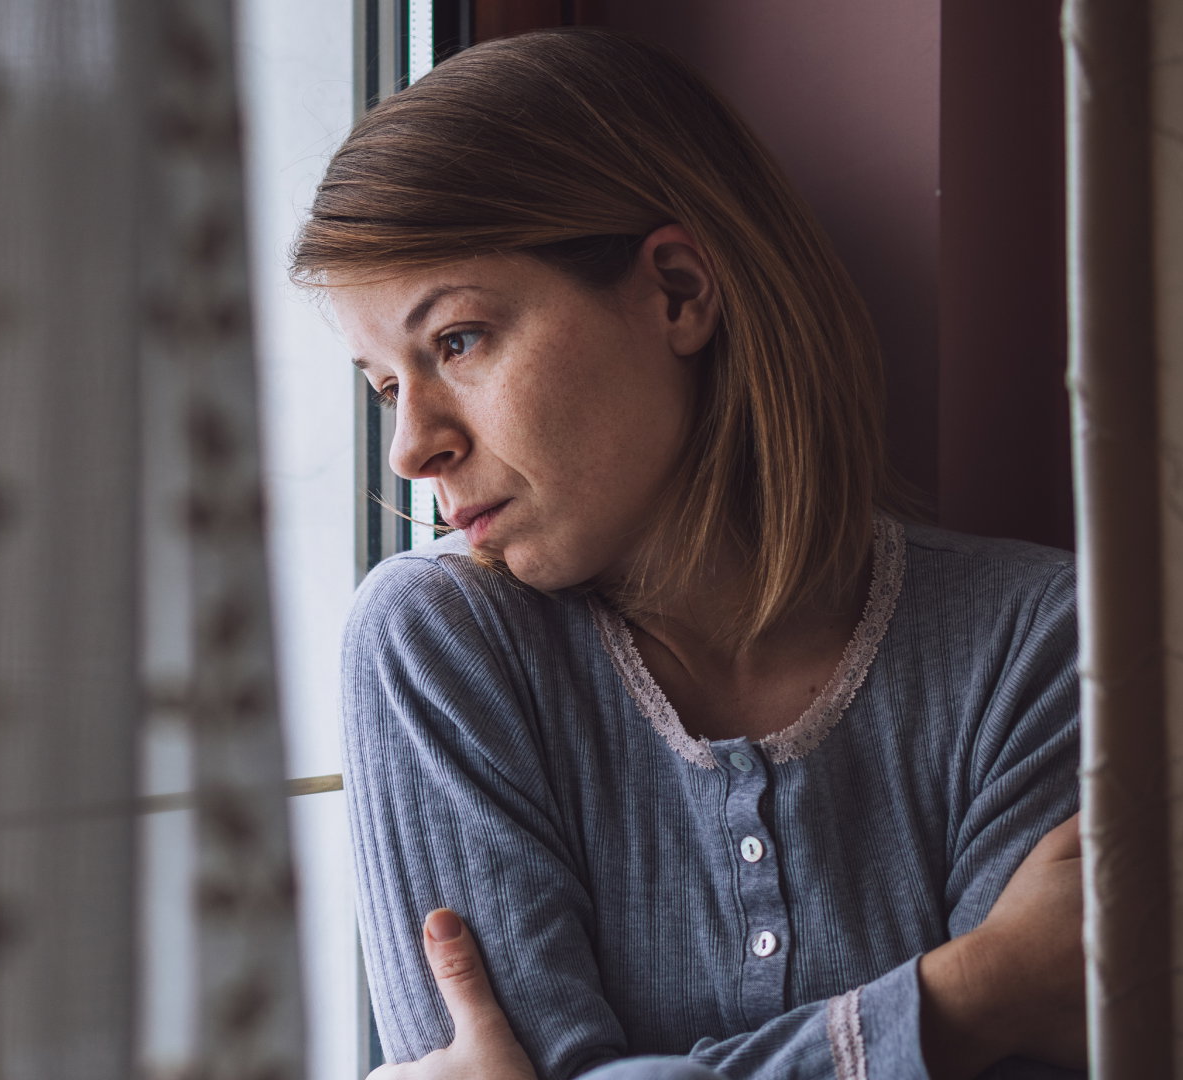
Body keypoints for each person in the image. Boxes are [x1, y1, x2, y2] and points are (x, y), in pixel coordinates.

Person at [292, 28, 1086, 1080]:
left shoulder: (1034, 644)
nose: (410, 447)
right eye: (386, 383)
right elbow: (1026, 1005)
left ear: (676, 290)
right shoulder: (434, 648)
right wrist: (973, 994)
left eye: (457, 341)